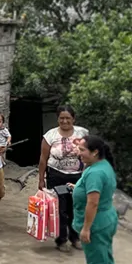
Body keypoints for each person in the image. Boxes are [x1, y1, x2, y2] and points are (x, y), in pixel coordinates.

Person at [71, 135, 119, 264]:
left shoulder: (95, 173)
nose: (79, 153)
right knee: (106, 260)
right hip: (107, 219)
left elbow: (92, 203)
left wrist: (85, 229)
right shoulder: (103, 166)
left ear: (95, 152)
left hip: (96, 224)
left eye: (82, 150)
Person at [38, 105, 89, 252]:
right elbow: (43, 158)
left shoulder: (82, 133)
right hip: (56, 176)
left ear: (73, 118)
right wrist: (41, 179)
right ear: (58, 119)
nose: (65, 121)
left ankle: (75, 238)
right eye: (62, 118)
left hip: (77, 177)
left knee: (76, 208)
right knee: (60, 209)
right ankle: (61, 240)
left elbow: (89, 154)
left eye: (68, 118)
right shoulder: (50, 136)